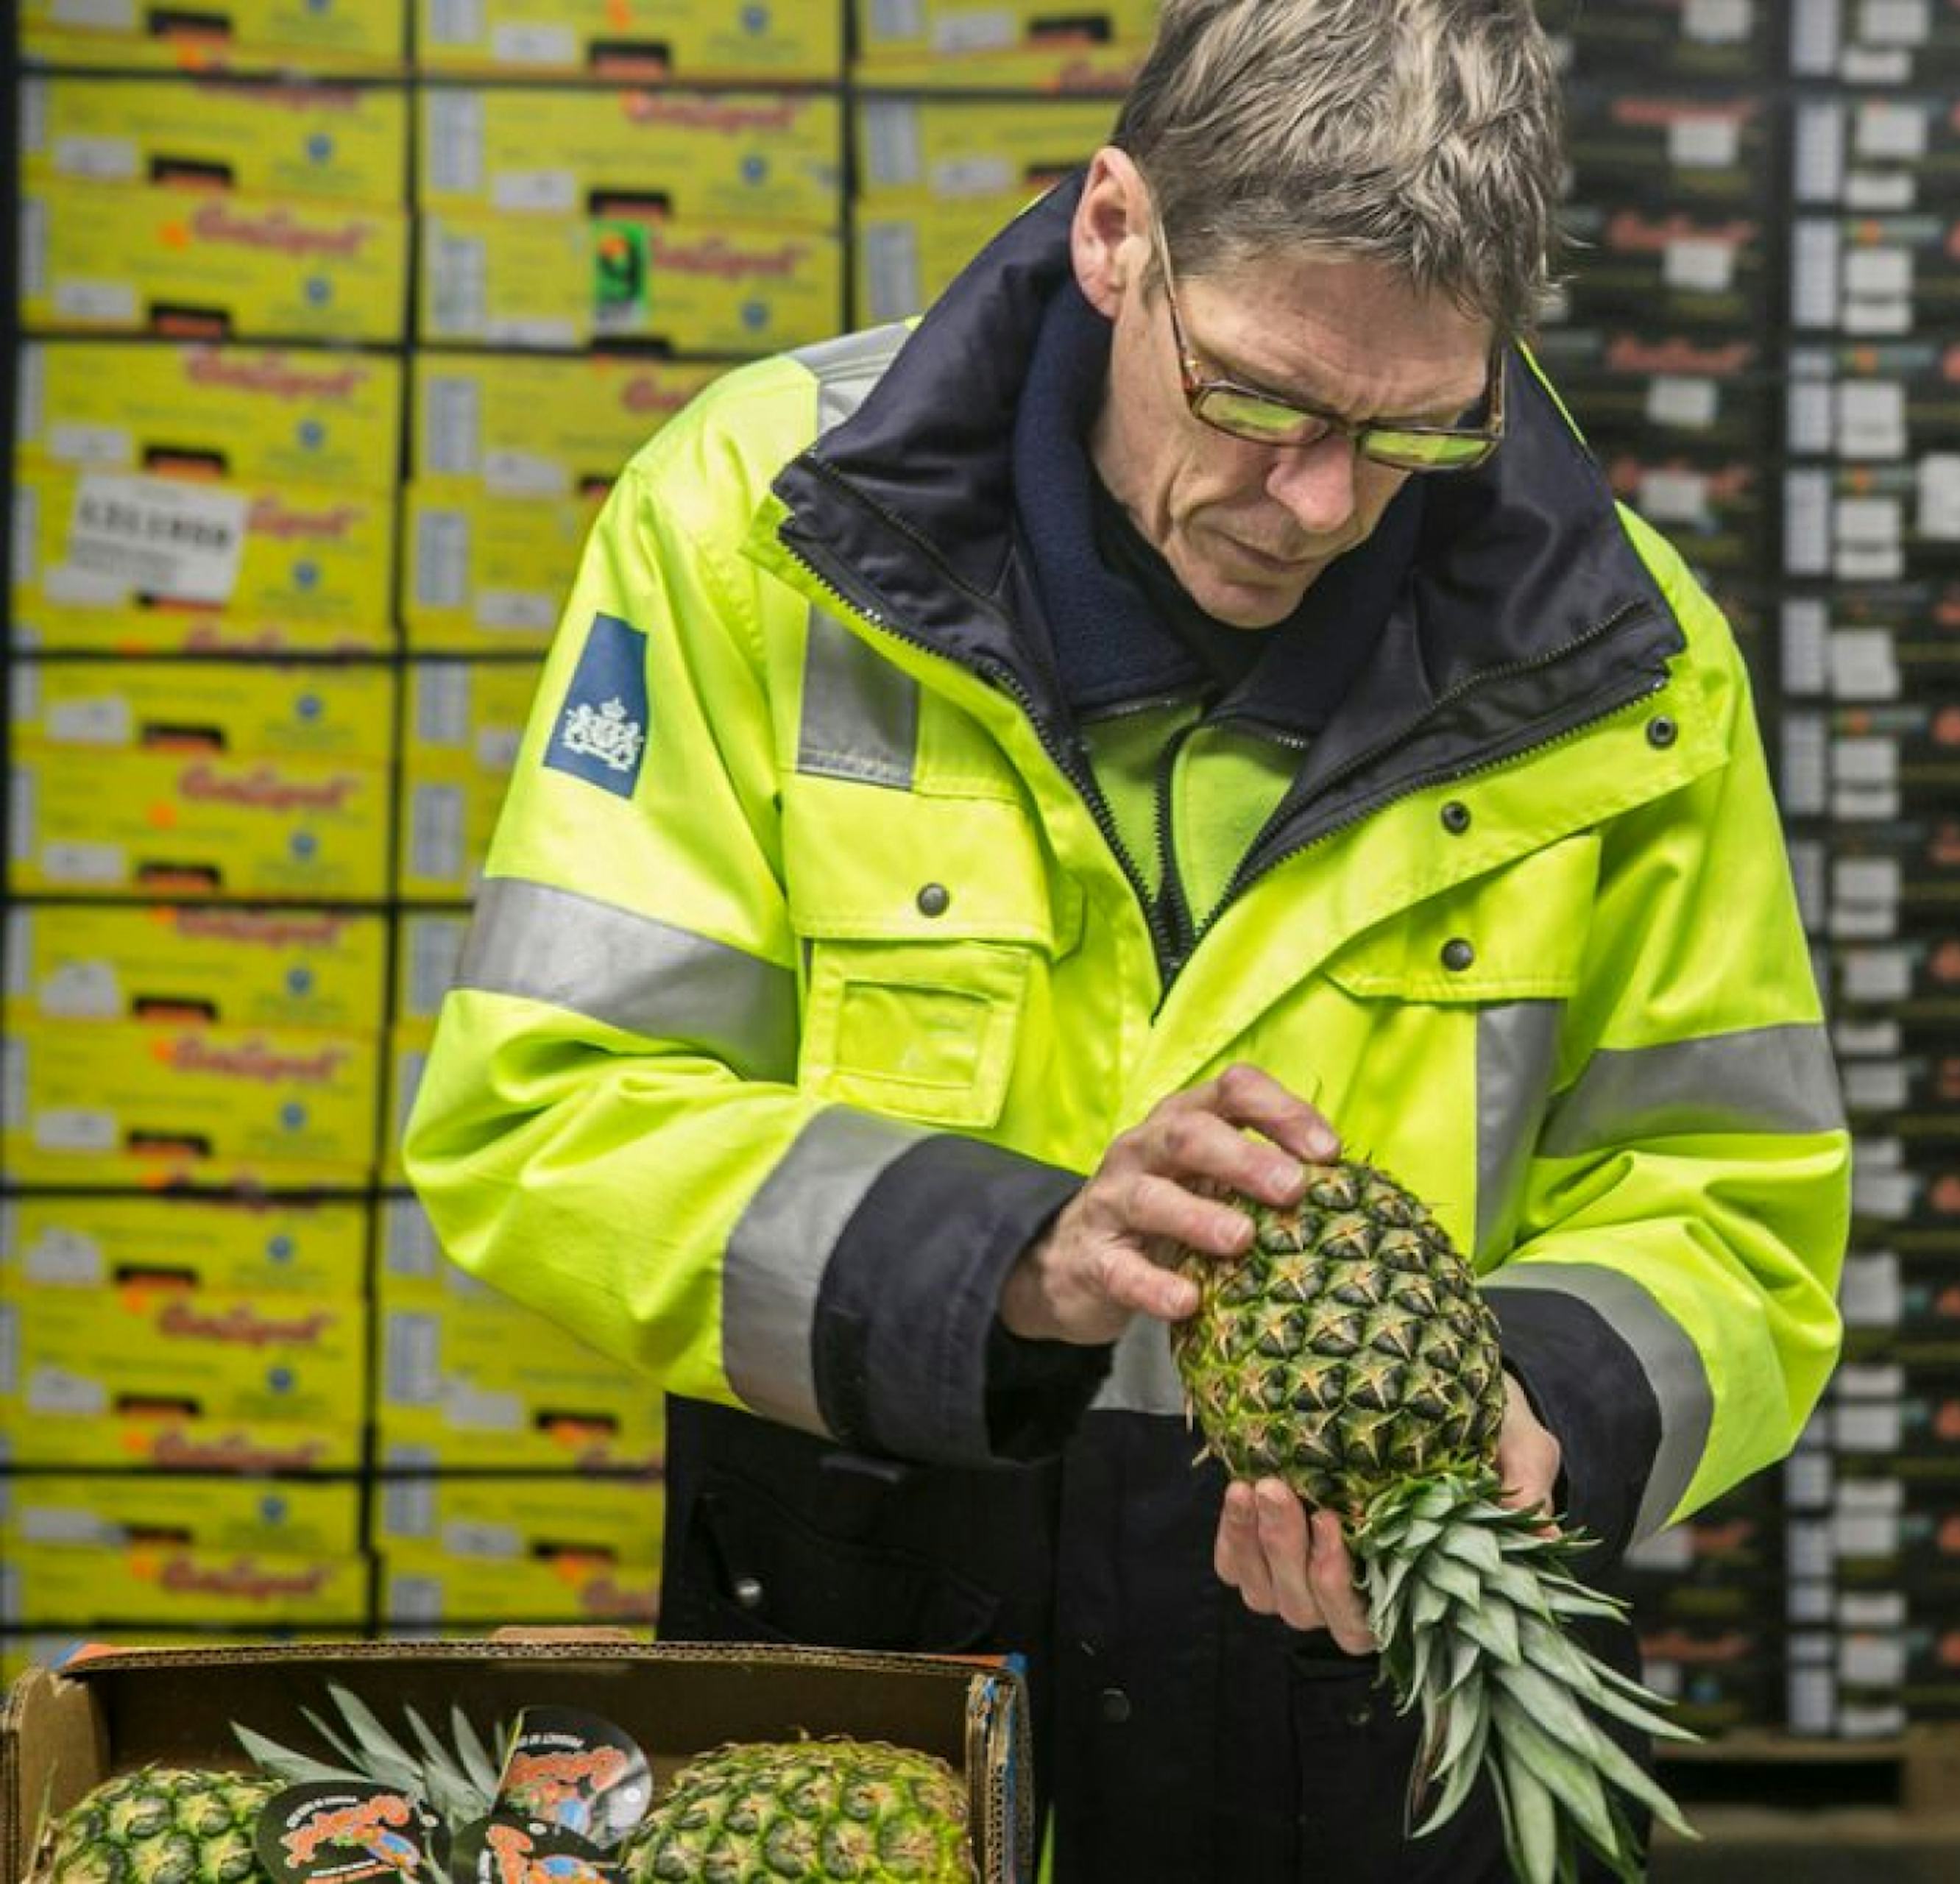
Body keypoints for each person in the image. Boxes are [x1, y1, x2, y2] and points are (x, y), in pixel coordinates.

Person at [404, 1, 1847, 1877]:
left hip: (1379, 1700)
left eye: (1420, 427)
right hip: (878, 1644)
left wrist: (1540, 1400)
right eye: (1257, 399)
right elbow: (546, 1104)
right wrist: (1002, 1256)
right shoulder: (754, 527)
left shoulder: (1624, 658)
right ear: (1114, 235)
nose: (1321, 501)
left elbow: (1739, 1196)